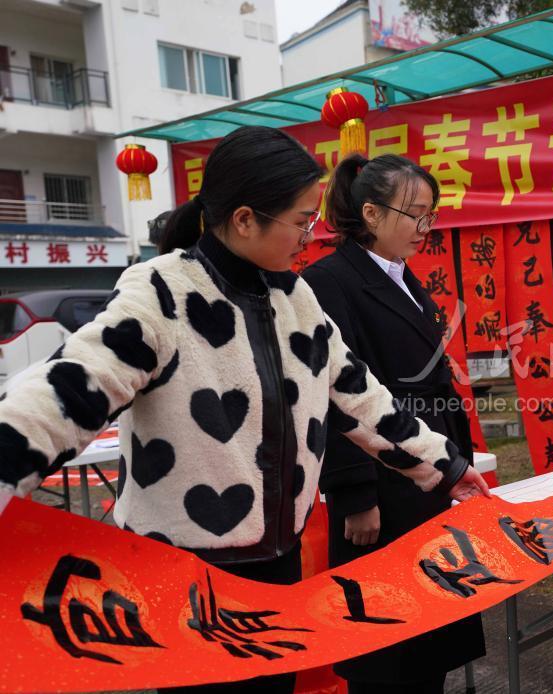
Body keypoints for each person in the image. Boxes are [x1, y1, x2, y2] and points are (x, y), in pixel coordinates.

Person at [0, 126, 488, 694]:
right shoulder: (161, 293)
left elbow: (361, 397)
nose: (310, 235)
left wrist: (445, 466)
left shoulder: (295, 298)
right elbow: (67, 388)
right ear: (245, 219)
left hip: (276, 564)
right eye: (302, 220)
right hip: (186, 574)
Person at [302, 153, 485, 694]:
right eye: (415, 214)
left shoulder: (401, 277)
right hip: (381, 482)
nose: (425, 227)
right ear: (372, 214)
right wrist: (354, 494)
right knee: (387, 645)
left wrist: (456, 463)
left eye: (431, 215)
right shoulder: (329, 281)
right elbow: (331, 393)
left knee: (431, 633)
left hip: (427, 468)